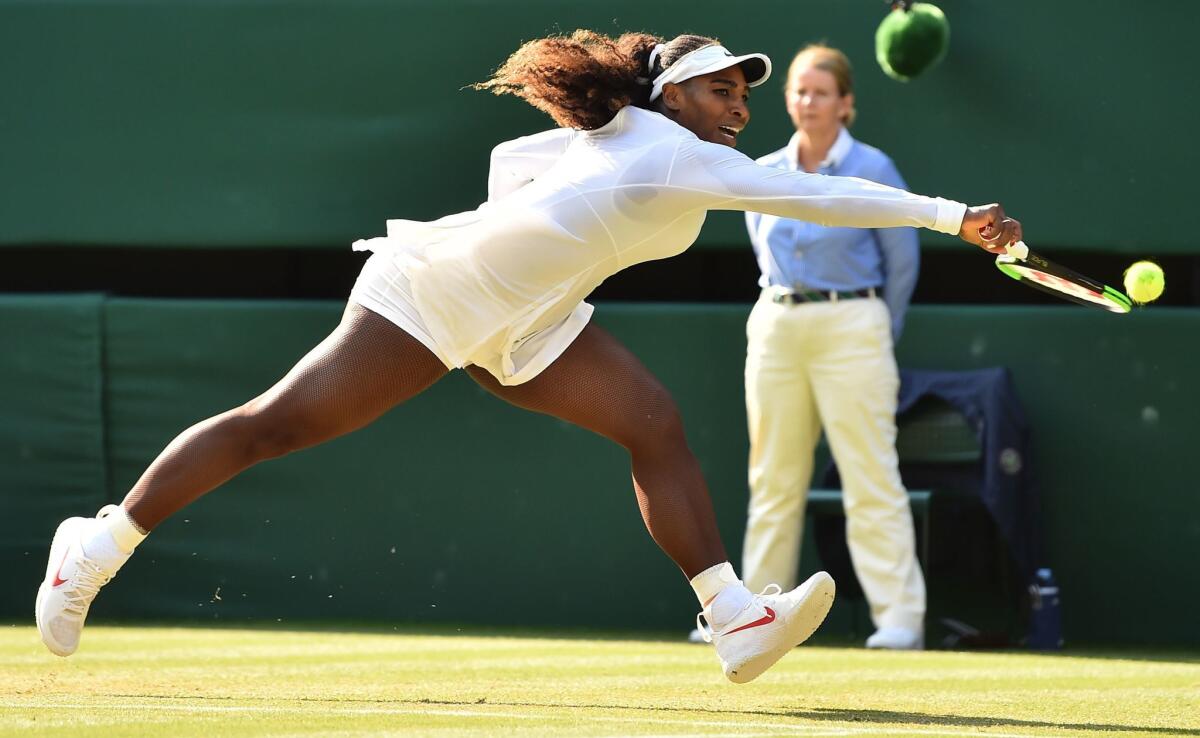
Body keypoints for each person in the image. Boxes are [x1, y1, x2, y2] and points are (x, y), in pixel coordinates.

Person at [35, 30, 1021, 682]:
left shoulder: (639, 135)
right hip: (435, 296)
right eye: (723, 89)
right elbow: (820, 199)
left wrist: (529, 228)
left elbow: (517, 163)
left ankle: (731, 615)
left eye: (743, 94)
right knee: (274, 428)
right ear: (675, 93)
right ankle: (94, 549)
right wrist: (950, 215)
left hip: (534, 320)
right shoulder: (676, 148)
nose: (740, 107)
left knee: (653, 425)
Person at [735, 44, 929, 651]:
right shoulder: (765, 170)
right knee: (772, 478)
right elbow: (763, 253)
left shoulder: (874, 166)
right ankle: (753, 621)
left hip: (855, 324)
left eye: (821, 92)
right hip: (777, 323)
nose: (807, 101)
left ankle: (900, 620)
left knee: (871, 474)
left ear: (845, 104)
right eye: (798, 90)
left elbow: (902, 262)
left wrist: (873, 329)